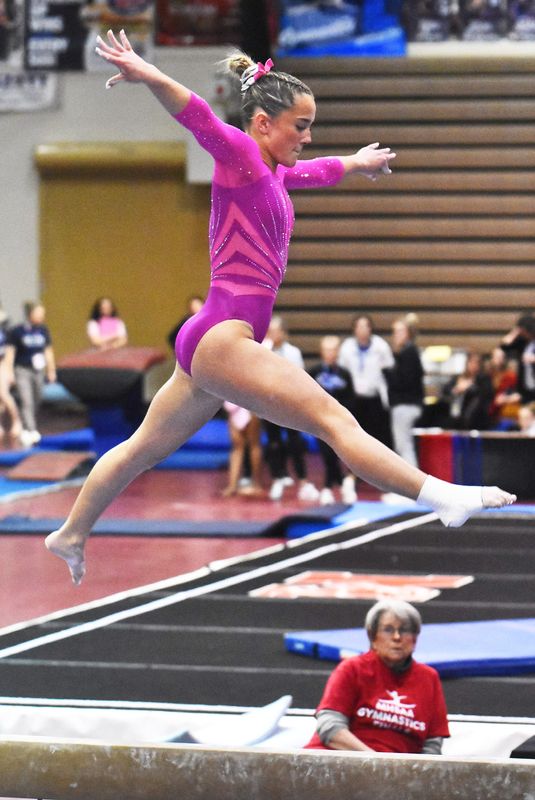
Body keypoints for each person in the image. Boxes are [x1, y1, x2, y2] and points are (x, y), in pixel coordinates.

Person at [46, 30, 515, 585]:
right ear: (264, 123)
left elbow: (314, 173)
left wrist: (357, 162)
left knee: (139, 452)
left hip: (211, 338)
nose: (308, 137)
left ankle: (70, 532)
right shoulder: (242, 154)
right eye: (301, 125)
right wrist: (150, 75)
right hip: (224, 337)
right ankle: (440, 496)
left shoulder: (270, 172)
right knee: (335, 422)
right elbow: (199, 118)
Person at [304, 600, 450, 754]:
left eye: (405, 630)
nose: (397, 637)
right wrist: (375, 761)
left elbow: (432, 745)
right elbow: (330, 728)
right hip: (339, 762)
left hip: (396, 773)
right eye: (388, 629)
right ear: (373, 637)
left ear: (415, 639)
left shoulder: (428, 678)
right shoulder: (352, 669)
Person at [262, 316, 319, 502]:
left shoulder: (293, 353)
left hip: (290, 404)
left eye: (275, 330)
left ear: (284, 333)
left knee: (295, 442)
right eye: (270, 330)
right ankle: (278, 477)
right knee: (274, 443)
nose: (272, 333)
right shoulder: (264, 350)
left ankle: (302, 480)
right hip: (269, 404)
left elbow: (299, 377)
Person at [308, 335, 358, 505]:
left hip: (340, 421)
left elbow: (352, 399)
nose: (330, 353)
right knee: (327, 454)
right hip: (320, 421)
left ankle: (335, 484)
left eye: (333, 350)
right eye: (327, 350)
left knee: (340, 453)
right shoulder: (314, 373)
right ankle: (334, 485)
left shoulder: (345, 374)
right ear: (322, 352)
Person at [4, 301, 56, 447]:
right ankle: (30, 429)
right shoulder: (17, 331)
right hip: (22, 369)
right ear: (30, 313)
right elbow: (10, 353)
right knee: (26, 400)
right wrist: (9, 372)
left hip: (38, 370)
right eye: (39, 313)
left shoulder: (43, 330)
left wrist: (51, 370)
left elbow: (48, 351)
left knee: (37, 397)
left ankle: (27, 424)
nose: (42, 316)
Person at [339, 314, 394, 449]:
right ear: (354, 329)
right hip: (355, 399)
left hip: (375, 398)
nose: (362, 330)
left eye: (365, 326)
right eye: (359, 326)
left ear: (370, 329)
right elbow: (342, 371)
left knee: (377, 436)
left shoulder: (380, 346)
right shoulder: (347, 347)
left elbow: (389, 369)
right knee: (356, 435)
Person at [384, 314, 424, 467]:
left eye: (398, 331)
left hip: (406, 405)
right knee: (403, 446)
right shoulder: (407, 353)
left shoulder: (408, 353)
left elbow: (405, 381)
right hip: (406, 404)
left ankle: (410, 488)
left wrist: (387, 373)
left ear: (407, 333)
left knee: (404, 447)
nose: (395, 336)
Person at [441, 351, 493, 431]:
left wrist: (469, 387)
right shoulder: (459, 378)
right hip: (456, 412)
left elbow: (485, 394)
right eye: (471, 362)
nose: (474, 365)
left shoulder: (483, 379)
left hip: (476, 417)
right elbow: (445, 389)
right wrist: (457, 389)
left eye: (476, 363)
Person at [221, 401, 264, 496]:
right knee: (243, 448)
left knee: (250, 447)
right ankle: (233, 485)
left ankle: (256, 483)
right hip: (236, 407)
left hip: (246, 407)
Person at [0, 305, 22, 442]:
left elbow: (9, 351)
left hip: (2, 364)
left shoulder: (6, 330)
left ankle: (16, 421)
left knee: (4, 395)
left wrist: (9, 370)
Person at [487, 346, 520, 429]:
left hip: (505, 415)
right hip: (488, 415)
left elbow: (518, 395)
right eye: (497, 357)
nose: (500, 360)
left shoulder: (510, 376)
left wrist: (506, 399)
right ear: (492, 358)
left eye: (502, 357)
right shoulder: (486, 377)